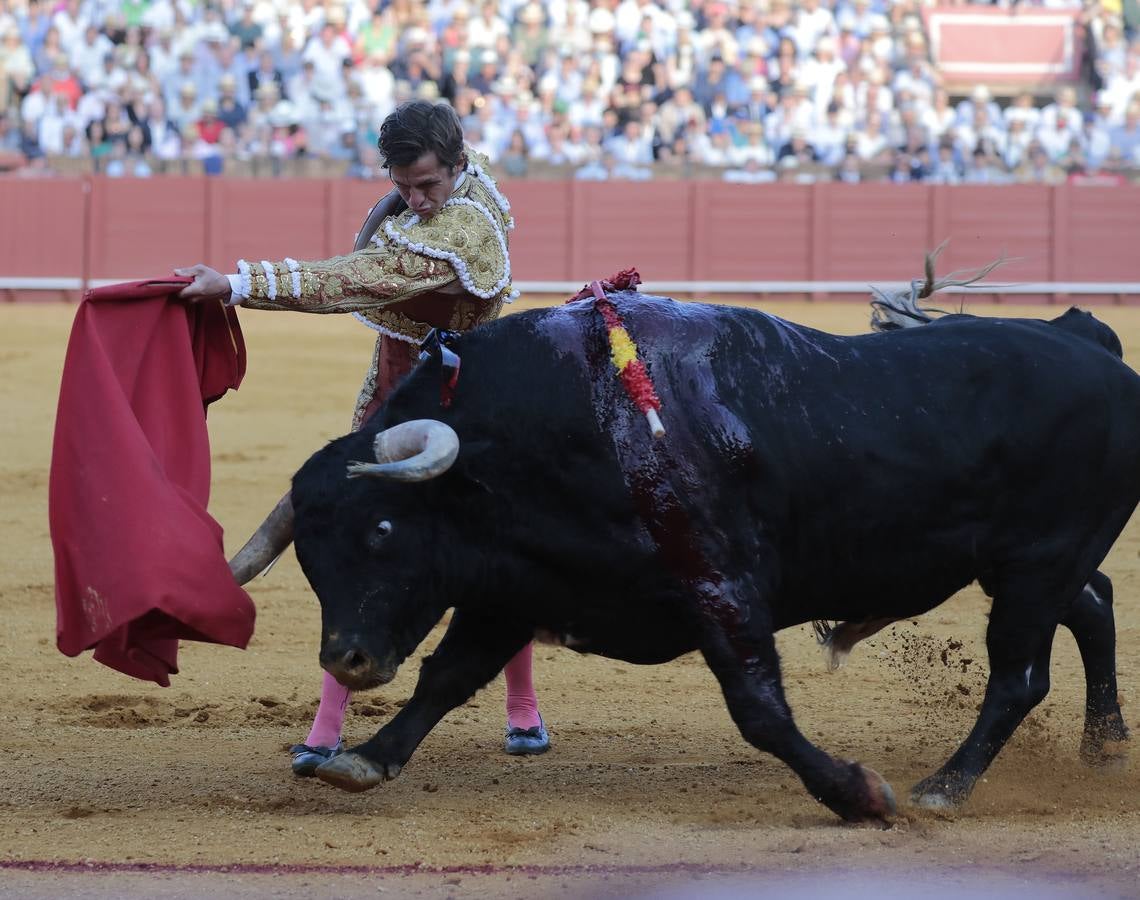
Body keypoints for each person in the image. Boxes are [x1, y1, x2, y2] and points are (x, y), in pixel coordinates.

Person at [174, 99, 550, 776]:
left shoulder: (463, 232)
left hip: (470, 409)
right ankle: (326, 725)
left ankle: (521, 704)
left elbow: (347, 282)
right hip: (389, 401)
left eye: (428, 185)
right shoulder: (455, 181)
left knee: (494, 555)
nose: (416, 200)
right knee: (362, 560)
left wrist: (237, 283)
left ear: (457, 168)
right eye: (403, 186)